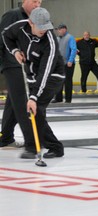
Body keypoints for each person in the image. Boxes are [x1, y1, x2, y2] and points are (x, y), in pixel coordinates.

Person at [2, 7, 66, 159]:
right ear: (31, 23)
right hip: (33, 75)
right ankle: (42, 145)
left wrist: (34, 97)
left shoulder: (50, 42)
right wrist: (15, 51)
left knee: (33, 110)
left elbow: (46, 72)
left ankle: (50, 147)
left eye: (46, 27)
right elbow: (6, 36)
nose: (44, 31)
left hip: (52, 76)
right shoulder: (19, 27)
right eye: (40, 27)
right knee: (34, 112)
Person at [0, 0, 42, 149]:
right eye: (34, 1)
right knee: (23, 101)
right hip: (13, 64)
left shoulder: (35, 19)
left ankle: (5, 138)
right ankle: (33, 143)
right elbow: (2, 38)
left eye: (39, 1)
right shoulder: (12, 15)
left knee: (13, 103)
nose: (37, 4)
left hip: (26, 66)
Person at [52, 24, 77, 103]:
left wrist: (70, 60)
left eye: (59, 29)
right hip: (59, 64)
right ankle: (58, 98)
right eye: (58, 30)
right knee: (58, 80)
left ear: (64, 29)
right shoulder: (57, 39)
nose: (58, 31)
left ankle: (68, 99)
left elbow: (73, 49)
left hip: (68, 63)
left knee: (68, 81)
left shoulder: (70, 38)